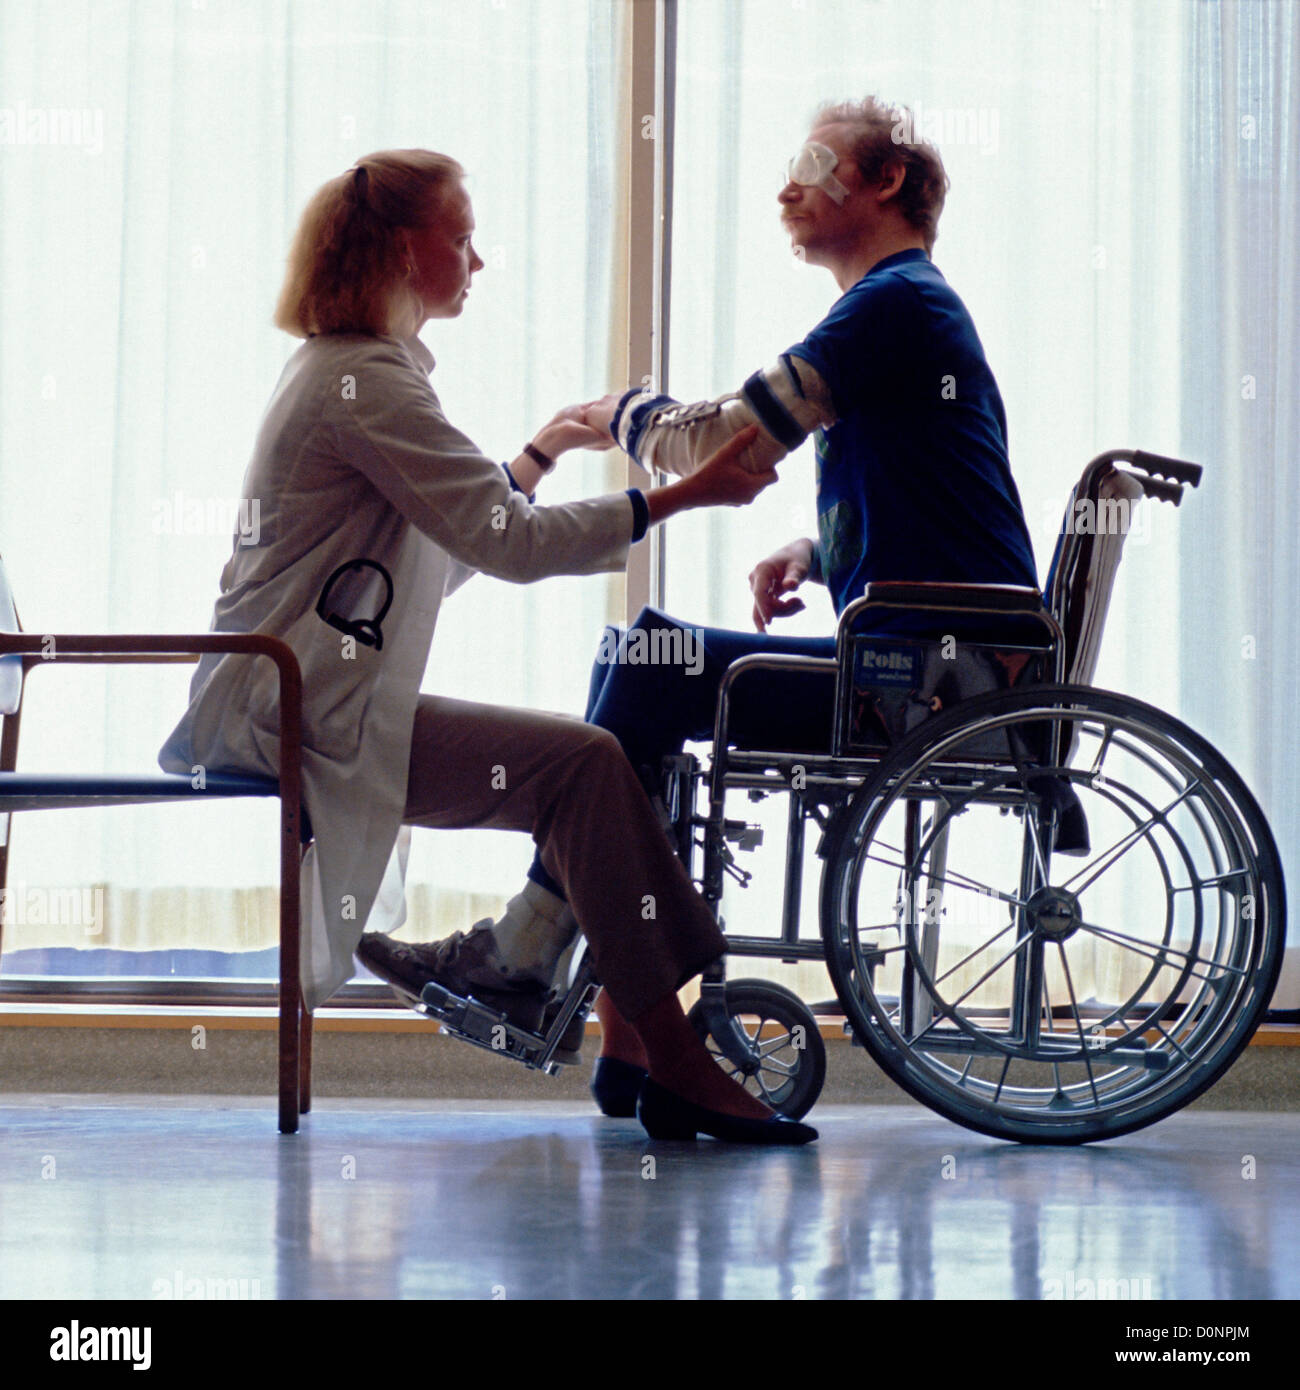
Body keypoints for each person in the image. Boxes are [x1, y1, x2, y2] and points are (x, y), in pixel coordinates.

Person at [370, 98, 1043, 1119]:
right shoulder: (904, 313)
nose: (784, 186)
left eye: (810, 164)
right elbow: (937, 512)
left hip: (939, 683)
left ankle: (544, 960)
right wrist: (815, 551)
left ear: (884, 181)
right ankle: (614, 1023)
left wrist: (611, 414)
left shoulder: (894, 307)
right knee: (637, 661)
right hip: (933, 655)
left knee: (645, 661)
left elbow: (719, 440)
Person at [157, 148, 817, 1145]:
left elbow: (449, 549)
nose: (479, 258)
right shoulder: (363, 384)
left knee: (582, 767)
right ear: (398, 247)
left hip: (303, 697)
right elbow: (501, 546)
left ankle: (581, 1007)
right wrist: (683, 493)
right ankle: (660, 1049)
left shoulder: (354, 375)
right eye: (461, 236)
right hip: (290, 710)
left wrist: (542, 453)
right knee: (586, 765)